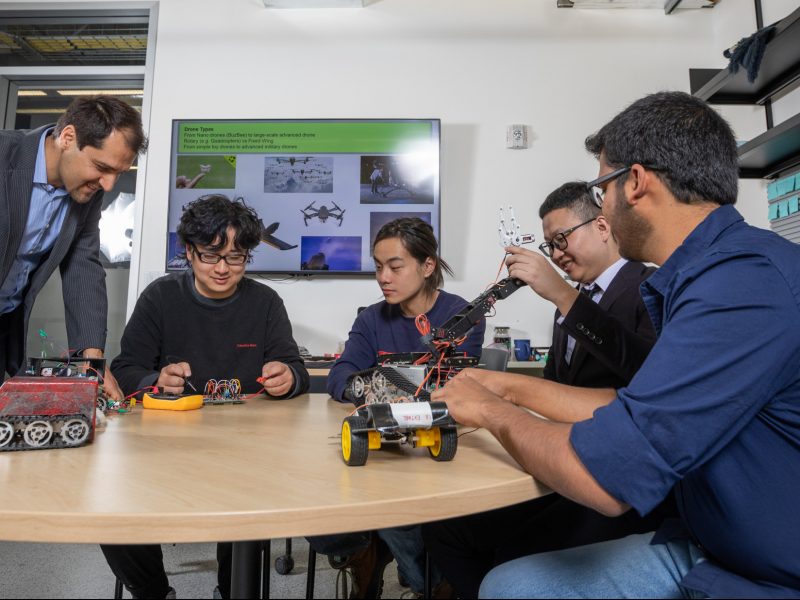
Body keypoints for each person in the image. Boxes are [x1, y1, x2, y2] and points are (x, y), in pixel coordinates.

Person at [433, 91, 800, 598]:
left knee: (511, 585)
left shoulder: (741, 287)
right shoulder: (703, 277)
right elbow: (628, 403)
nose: (603, 205)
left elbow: (603, 479)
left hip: (763, 572)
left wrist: (490, 411)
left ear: (634, 182)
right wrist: (502, 387)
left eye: (602, 186)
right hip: (708, 536)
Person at [422, 182, 667, 598]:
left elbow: (646, 375)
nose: (556, 255)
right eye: (550, 245)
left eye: (561, 240)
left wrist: (562, 294)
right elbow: (555, 388)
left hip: (615, 477)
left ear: (603, 226)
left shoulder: (649, 288)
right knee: (444, 529)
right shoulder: (571, 303)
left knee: (514, 557)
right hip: (557, 459)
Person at [101, 194, 310, 600]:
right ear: (188, 251)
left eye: (235, 258)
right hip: (162, 450)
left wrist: (289, 378)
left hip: (243, 452)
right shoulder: (161, 298)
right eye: (210, 255)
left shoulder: (265, 302)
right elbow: (124, 370)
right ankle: (154, 592)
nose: (221, 268)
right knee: (114, 512)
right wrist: (155, 379)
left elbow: (294, 367)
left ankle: (232, 590)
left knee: (246, 513)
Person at [314, 216, 486, 598]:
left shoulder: (462, 316)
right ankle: (366, 552)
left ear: (427, 267)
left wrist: (404, 388)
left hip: (438, 450)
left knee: (396, 512)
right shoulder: (372, 319)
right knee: (322, 503)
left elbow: (461, 383)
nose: (383, 277)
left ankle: (432, 582)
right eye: (378, 267)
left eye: (395, 266)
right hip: (386, 446)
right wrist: (372, 395)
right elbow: (340, 375)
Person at [0, 95, 148, 401]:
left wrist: (91, 361)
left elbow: (83, 267)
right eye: (101, 167)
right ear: (68, 137)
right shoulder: (5, 155)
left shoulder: (84, 191)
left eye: (118, 173)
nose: (108, 186)